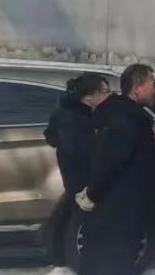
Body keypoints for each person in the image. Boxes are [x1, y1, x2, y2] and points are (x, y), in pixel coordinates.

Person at [72, 63, 155, 275]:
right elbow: (111, 161)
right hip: (123, 203)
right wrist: (94, 192)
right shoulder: (126, 119)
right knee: (117, 252)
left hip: (119, 201)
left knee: (104, 249)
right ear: (137, 87)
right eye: (152, 84)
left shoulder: (121, 115)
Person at [43, 72, 110, 260]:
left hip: (78, 182)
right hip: (84, 182)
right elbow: (81, 154)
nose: (108, 97)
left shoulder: (71, 117)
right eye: (105, 92)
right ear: (89, 97)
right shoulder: (77, 122)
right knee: (86, 224)